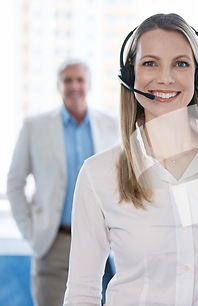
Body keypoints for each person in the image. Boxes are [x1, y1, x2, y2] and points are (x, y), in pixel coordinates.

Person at [63, 13, 198, 305]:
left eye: (181, 63)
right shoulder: (98, 173)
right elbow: (82, 292)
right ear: (130, 76)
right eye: (150, 63)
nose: (165, 78)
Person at [6, 58, 118, 306]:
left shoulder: (111, 125)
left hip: (101, 240)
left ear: (89, 84)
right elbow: (14, 183)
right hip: (53, 241)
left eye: (80, 79)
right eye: (68, 80)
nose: (74, 86)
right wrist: (32, 233)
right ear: (59, 85)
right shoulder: (34, 126)